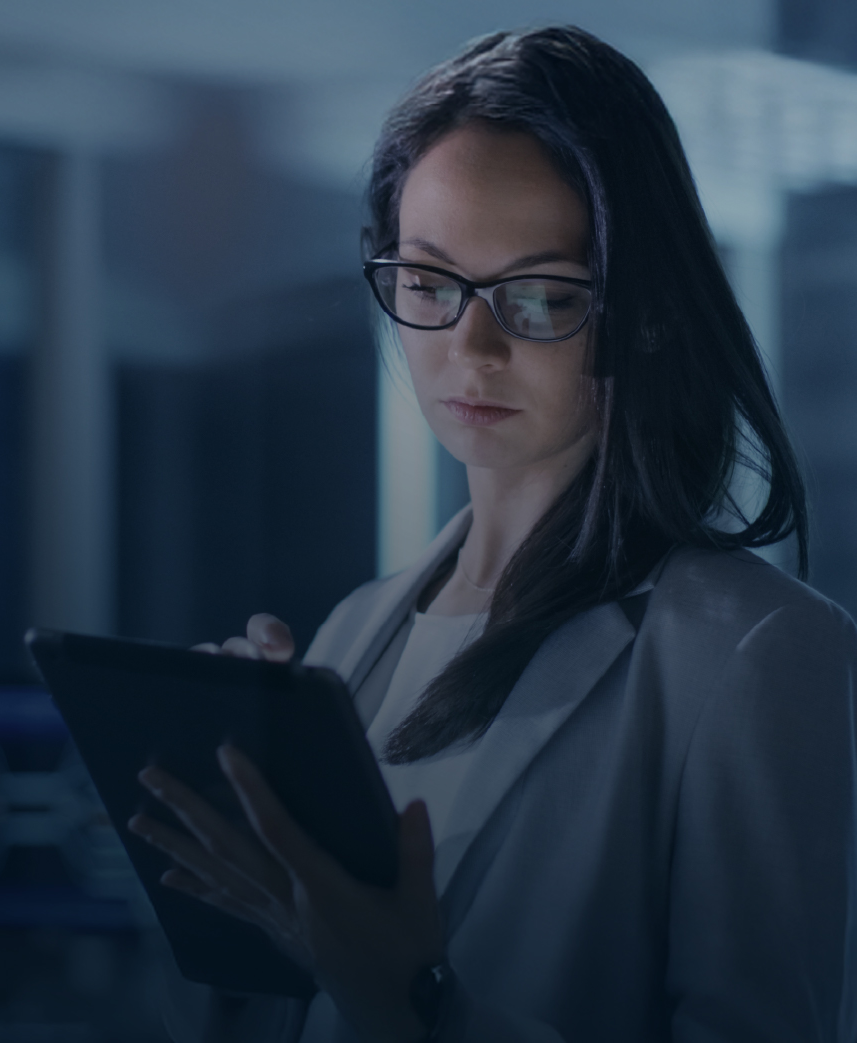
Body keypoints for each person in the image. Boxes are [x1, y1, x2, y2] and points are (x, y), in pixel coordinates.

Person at [127, 26, 857, 1043]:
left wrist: (422, 1000)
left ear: (642, 311)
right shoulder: (353, 637)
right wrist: (225, 873)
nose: (472, 345)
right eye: (429, 283)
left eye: (542, 295)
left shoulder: (752, 652)